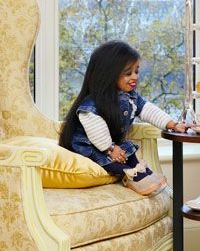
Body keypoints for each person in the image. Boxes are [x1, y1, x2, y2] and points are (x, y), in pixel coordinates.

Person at [58, 40, 186, 196]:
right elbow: (96, 130)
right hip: (91, 146)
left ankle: (141, 172)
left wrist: (172, 124)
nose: (135, 77)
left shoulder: (130, 97)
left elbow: (148, 110)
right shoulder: (91, 105)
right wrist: (110, 148)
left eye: (136, 71)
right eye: (128, 73)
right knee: (110, 160)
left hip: (112, 143)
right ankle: (132, 175)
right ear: (109, 75)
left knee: (128, 150)